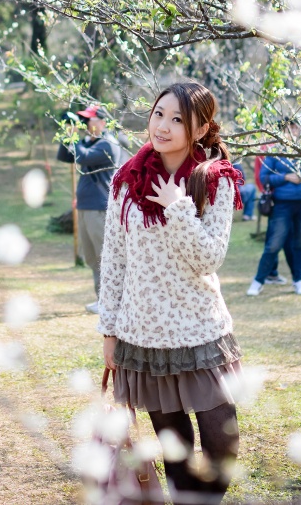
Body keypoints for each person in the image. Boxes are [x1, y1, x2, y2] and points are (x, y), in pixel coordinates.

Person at [98, 81, 243, 504]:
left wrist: (178, 206)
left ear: (200, 129)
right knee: (173, 445)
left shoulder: (216, 181)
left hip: (200, 331)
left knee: (221, 440)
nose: (162, 126)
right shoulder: (126, 182)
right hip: (143, 335)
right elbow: (114, 261)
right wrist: (109, 330)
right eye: (158, 114)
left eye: (177, 119)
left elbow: (209, 258)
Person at [56, 104, 123, 313]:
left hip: (99, 207)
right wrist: (69, 134)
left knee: (104, 257)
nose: (84, 124)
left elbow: (82, 157)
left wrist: (74, 136)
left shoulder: (107, 144)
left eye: (88, 120)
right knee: (92, 257)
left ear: (102, 122)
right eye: (82, 120)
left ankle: (113, 302)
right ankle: (102, 300)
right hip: (86, 206)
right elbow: (65, 156)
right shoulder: (88, 142)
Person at [247, 120, 301, 296]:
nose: (294, 131)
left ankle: (299, 280)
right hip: (282, 204)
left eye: (296, 127)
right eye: (290, 128)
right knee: (274, 243)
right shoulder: (274, 152)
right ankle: (258, 280)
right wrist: (286, 177)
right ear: (283, 130)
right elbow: (264, 178)